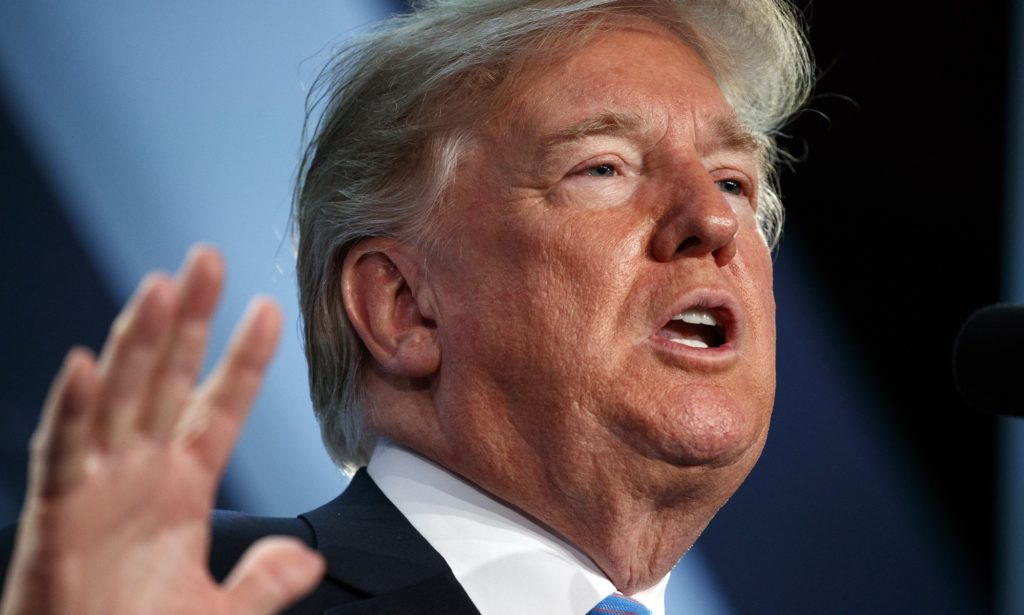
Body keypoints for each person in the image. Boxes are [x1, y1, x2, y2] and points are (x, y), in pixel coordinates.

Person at [0, 0, 813, 613]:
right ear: (401, 306)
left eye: (734, 182)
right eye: (602, 168)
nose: (711, 219)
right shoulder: (187, 592)